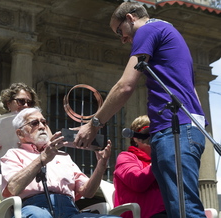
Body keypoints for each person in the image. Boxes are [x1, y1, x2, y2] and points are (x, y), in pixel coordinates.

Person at [74, 2, 206, 218]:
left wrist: (94, 124)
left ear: (130, 18)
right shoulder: (170, 34)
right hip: (188, 128)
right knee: (180, 208)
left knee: (185, 210)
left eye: (120, 31)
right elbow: (192, 90)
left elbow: (125, 86)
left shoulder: (148, 30)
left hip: (175, 128)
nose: (123, 39)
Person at [0, 107, 120, 218]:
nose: (42, 126)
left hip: (70, 210)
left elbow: (87, 192)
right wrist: (42, 159)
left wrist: (101, 165)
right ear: (20, 134)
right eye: (34, 123)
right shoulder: (13, 154)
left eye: (44, 122)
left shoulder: (63, 156)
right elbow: (12, 188)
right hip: (35, 208)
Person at [0, 82, 42, 216]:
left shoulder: (40, 126)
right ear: (8, 103)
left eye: (29, 103)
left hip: (34, 189)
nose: (25, 105)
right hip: (6, 191)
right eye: (21, 101)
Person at [113, 115, 166, 218]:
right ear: (136, 138)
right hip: (145, 214)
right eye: (149, 133)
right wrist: (158, 159)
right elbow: (138, 182)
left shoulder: (164, 160)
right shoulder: (126, 157)